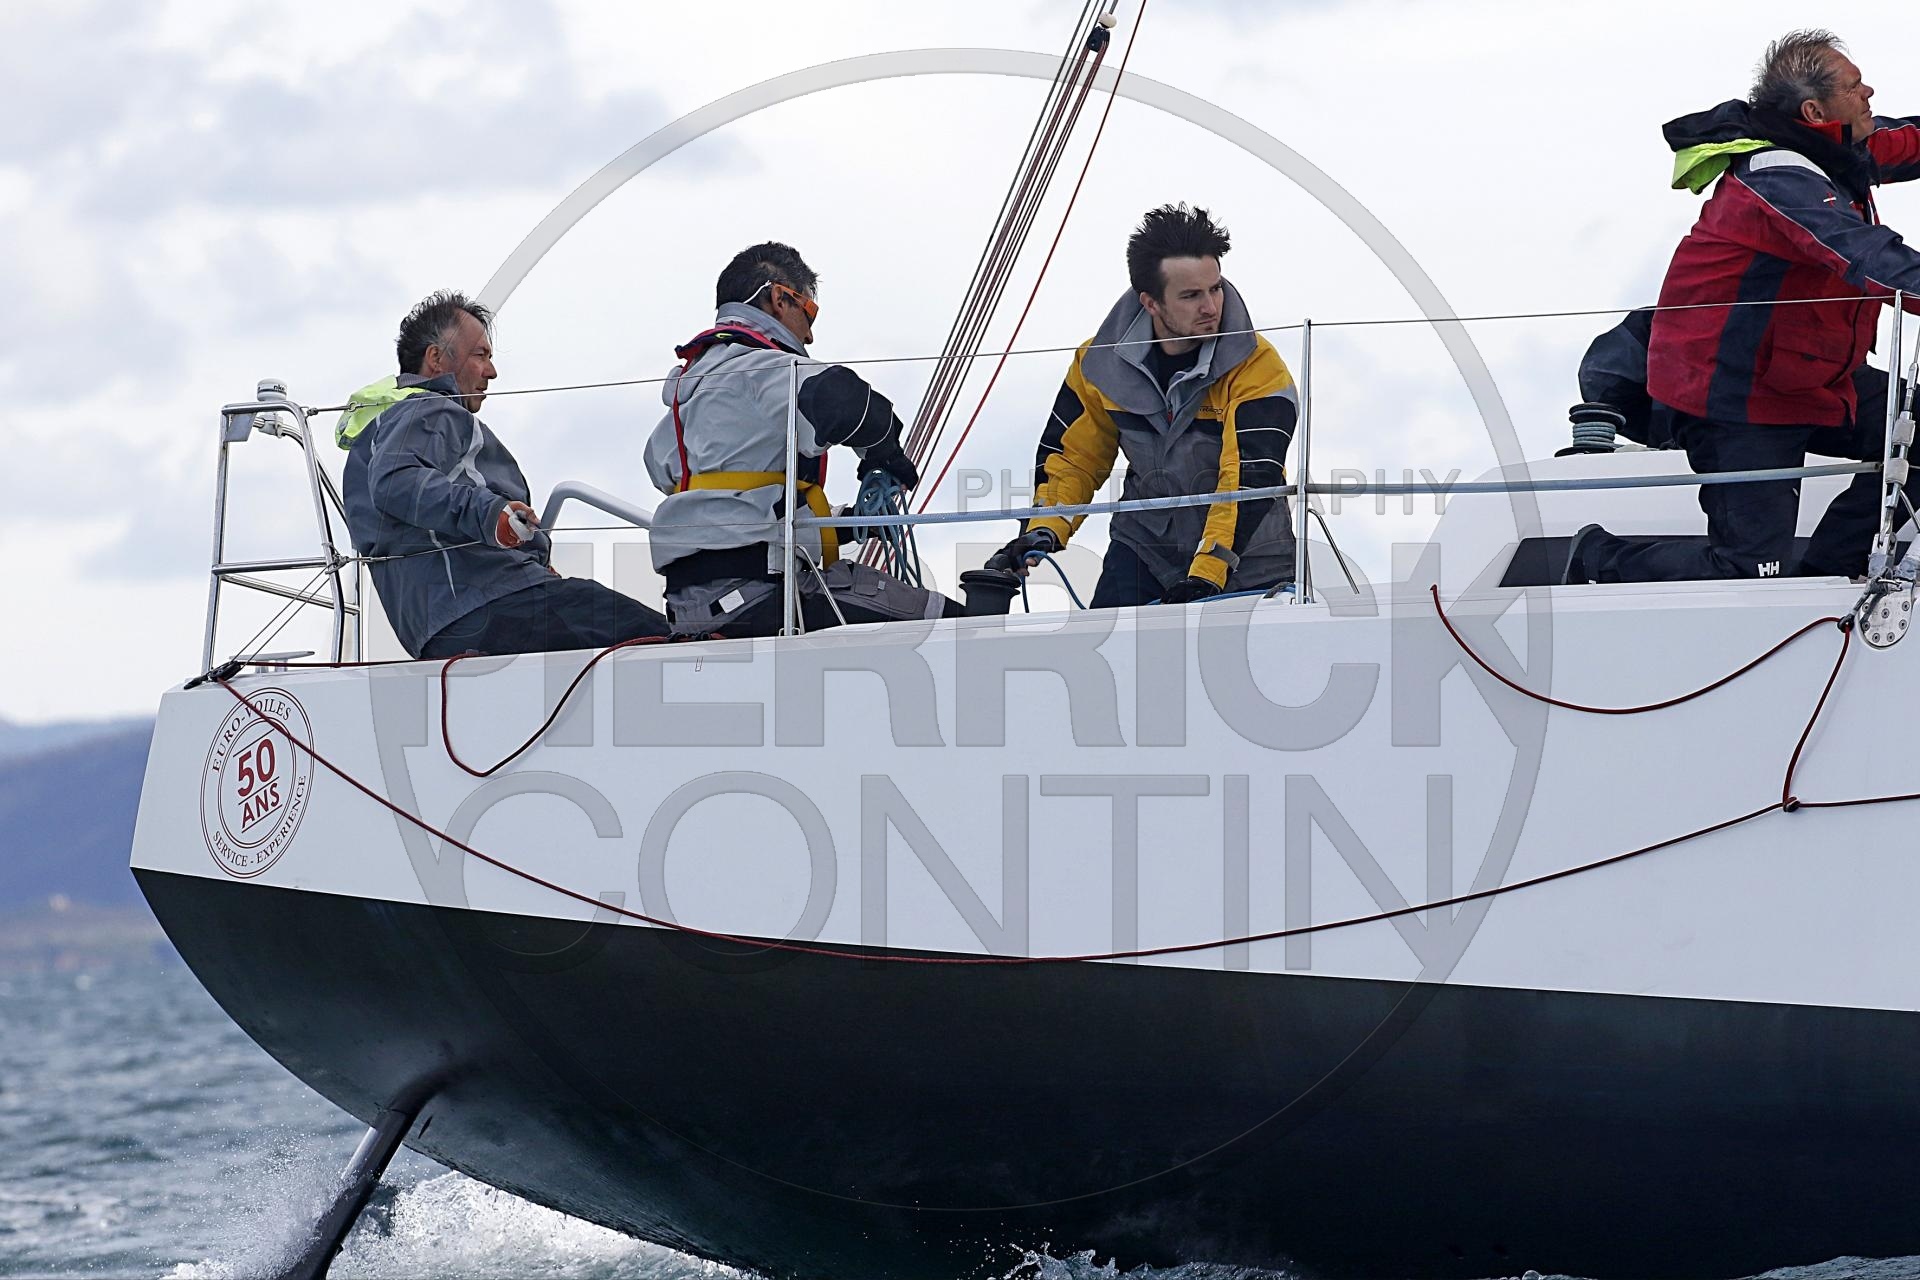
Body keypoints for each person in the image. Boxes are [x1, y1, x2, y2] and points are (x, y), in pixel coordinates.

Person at [1567, 30, 1920, 584]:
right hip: (1738, 395)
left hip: (1815, 377)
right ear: (1815, 111)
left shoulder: (1834, 147)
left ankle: (1831, 575)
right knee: (1751, 568)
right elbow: (1866, 254)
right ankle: (1596, 561)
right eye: (1855, 87)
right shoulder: (1778, 178)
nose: (1869, 93)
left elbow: (1907, 142)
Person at [985, 203, 1300, 606]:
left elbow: (1248, 477)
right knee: (1101, 645)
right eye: (1191, 295)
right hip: (1145, 553)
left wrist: (1208, 572)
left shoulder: (1258, 367)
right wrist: (1043, 530)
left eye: (1215, 288)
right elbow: (1075, 460)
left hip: (1249, 561)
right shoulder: (1097, 365)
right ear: (1151, 303)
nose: (1211, 307)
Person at [642, 242, 961, 635]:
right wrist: (884, 457)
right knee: (958, 625)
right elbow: (848, 402)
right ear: (780, 299)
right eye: (810, 312)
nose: (809, 335)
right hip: (759, 595)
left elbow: (737, 509)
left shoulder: (689, 393)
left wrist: (850, 522)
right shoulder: (762, 369)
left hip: (698, 605)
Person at [342, 291, 670, 658]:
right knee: (661, 638)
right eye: (480, 355)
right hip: (483, 603)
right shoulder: (429, 409)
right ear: (436, 358)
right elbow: (396, 483)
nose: (492, 371)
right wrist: (491, 514)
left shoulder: (387, 430)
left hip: (451, 618)